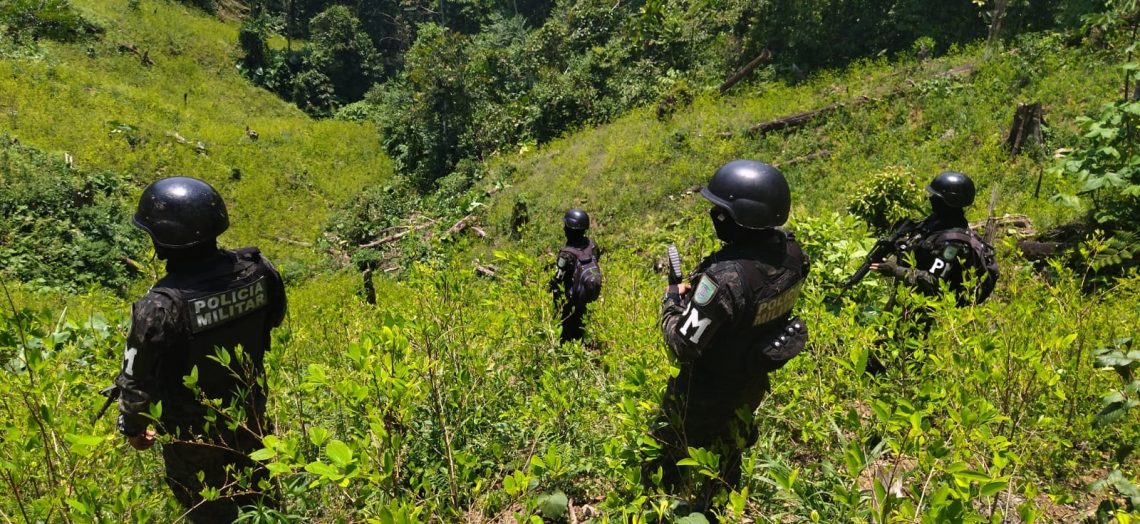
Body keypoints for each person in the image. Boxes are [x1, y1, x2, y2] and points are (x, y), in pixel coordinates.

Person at [115, 176, 287, 522]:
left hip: (192, 436)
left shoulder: (159, 306)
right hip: (248, 412)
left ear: (162, 241)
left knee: (208, 510)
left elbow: (134, 379)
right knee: (261, 498)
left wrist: (133, 429)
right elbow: (274, 319)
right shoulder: (258, 270)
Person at [645, 160, 810, 515]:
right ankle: (722, 503)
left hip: (706, 391)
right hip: (752, 381)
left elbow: (681, 344)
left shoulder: (724, 280)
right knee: (729, 450)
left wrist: (673, 299)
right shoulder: (794, 256)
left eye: (721, 210)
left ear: (740, 216)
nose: (714, 215)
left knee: (665, 457)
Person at [869, 171, 998, 307]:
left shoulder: (954, 243)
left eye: (936, 197)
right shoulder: (937, 221)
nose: (931, 199)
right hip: (912, 296)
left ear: (948, 202)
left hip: (932, 307)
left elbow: (934, 281)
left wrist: (896, 270)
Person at [549, 208, 603, 344]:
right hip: (584, 296)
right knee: (580, 326)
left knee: (566, 333)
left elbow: (558, 278)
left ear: (570, 230)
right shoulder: (592, 246)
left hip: (570, 300)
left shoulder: (566, 254)